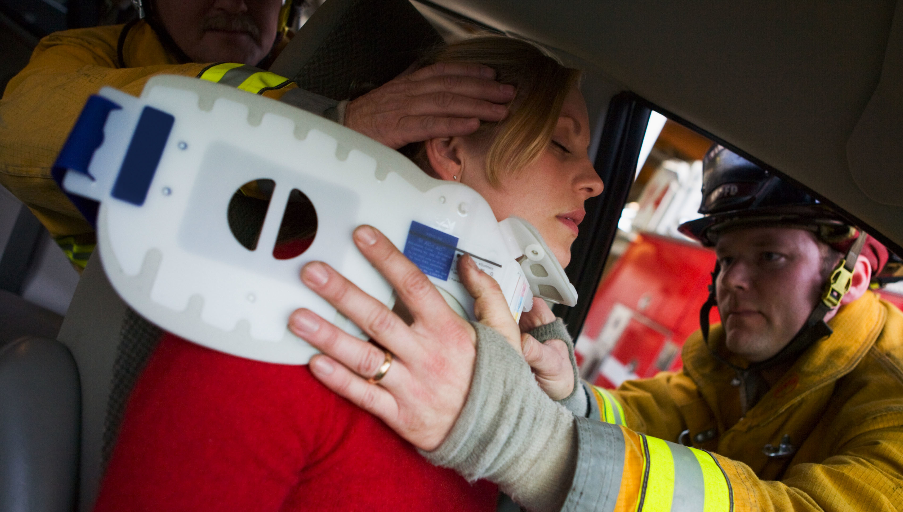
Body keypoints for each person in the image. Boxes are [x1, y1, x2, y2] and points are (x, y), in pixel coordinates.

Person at [294, 145, 903, 511]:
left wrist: (524, 440)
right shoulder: (746, 367)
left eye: (768, 257)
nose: (732, 281)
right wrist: (568, 396)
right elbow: (657, 418)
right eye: (728, 258)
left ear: (851, 277)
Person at [93, 35, 604, 511]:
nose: (596, 182)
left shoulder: (495, 389)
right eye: (560, 145)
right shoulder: (278, 313)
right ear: (450, 149)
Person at [0, 0, 515, 269]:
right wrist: (323, 129)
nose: (236, 3)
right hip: (134, 326)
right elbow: (18, 129)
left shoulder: (339, 69)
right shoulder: (85, 56)